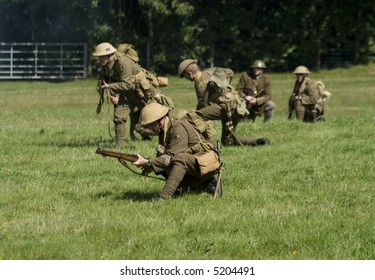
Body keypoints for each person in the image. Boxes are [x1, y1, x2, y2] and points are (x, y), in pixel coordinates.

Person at [92, 42, 173, 148]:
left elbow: (127, 85)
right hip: (127, 95)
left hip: (142, 93)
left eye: (101, 57)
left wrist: (109, 87)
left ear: (109, 55)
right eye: (99, 57)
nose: (99, 59)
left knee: (155, 118)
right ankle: (119, 146)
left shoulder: (122, 62)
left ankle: (169, 138)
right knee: (119, 117)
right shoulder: (105, 66)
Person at [132, 103, 220, 200]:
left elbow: (173, 157)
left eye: (151, 125)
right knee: (161, 166)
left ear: (160, 121)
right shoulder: (164, 130)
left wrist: (149, 161)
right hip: (195, 165)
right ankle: (204, 185)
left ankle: (163, 197)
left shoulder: (177, 127)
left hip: (207, 165)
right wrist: (150, 165)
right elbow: (165, 158)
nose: (150, 129)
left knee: (180, 159)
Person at [178, 59, 270, 146]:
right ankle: (258, 141)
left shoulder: (200, 84)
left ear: (189, 74)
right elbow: (230, 72)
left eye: (185, 76)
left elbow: (202, 108)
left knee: (194, 117)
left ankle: (209, 146)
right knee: (227, 141)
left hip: (226, 107)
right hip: (237, 106)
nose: (186, 78)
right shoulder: (211, 72)